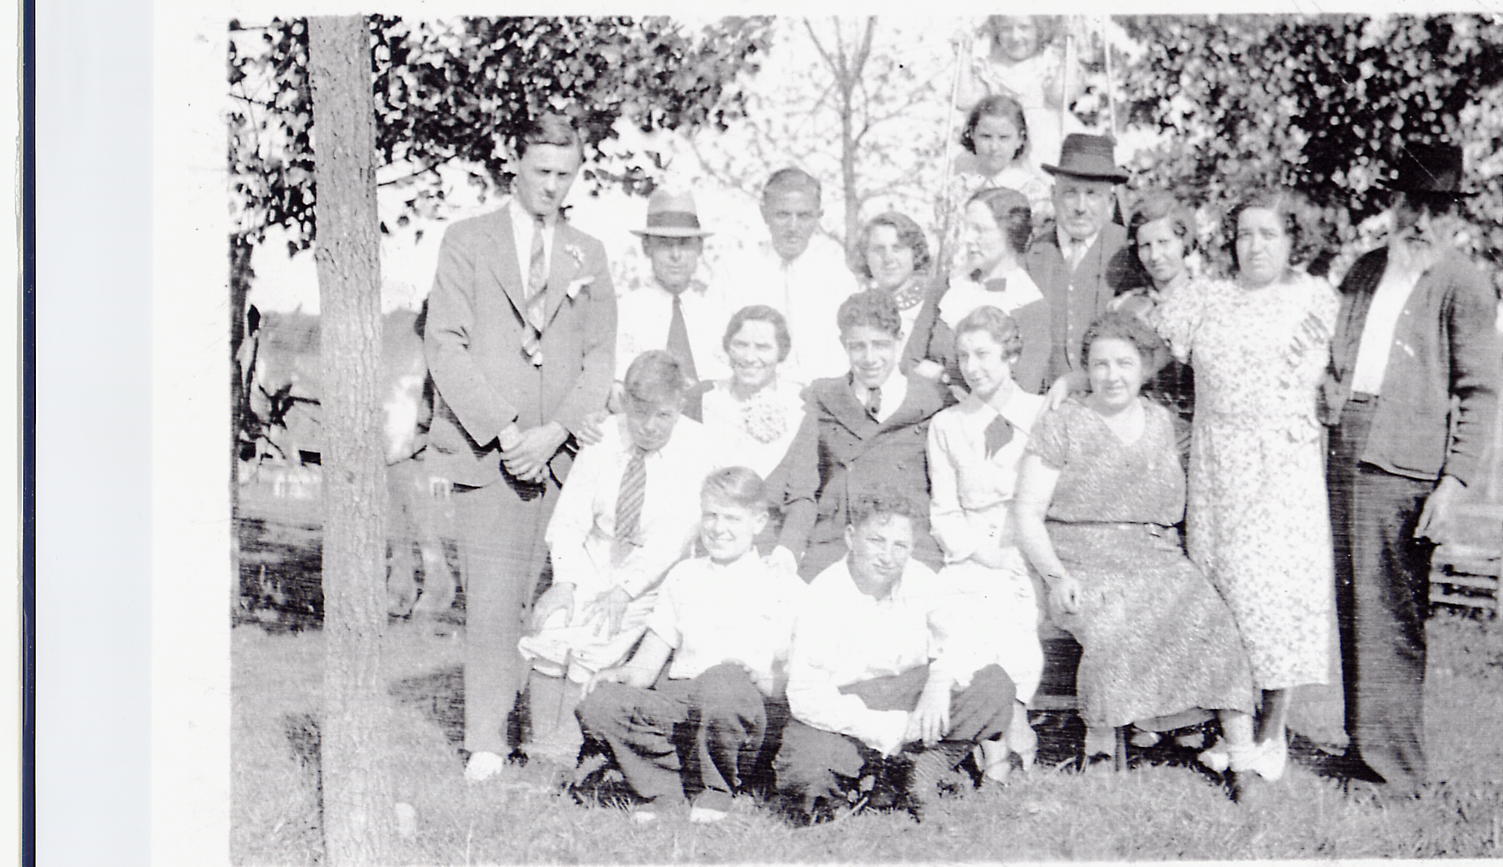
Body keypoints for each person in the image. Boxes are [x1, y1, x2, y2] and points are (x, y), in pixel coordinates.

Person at [423, 112, 616, 782]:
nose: (551, 187)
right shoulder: (467, 239)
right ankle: (485, 738)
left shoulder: (586, 252)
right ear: (516, 165)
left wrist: (555, 431)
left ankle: (556, 736)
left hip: (564, 454)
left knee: (564, 598)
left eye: (565, 175)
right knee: (494, 597)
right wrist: (507, 432)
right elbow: (443, 343)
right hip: (490, 455)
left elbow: (598, 358)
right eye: (541, 172)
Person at [1323, 142, 1501, 796]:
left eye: (1434, 207)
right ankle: (1360, 750)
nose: (1418, 220)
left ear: (1452, 215)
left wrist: (1452, 482)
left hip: (1405, 465)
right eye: (1409, 203)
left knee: (1389, 615)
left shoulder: (1462, 282)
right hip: (1343, 450)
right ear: (1391, 204)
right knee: (1349, 608)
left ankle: (1392, 774)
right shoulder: (1364, 270)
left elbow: (1480, 391)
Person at [1012, 312, 1260, 779]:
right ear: (1086, 368)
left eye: (1124, 364)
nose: (1112, 375)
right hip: (1081, 559)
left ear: (1144, 367)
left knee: (1212, 618)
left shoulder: (1165, 424)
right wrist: (1055, 576)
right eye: (1100, 364)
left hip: (1156, 557)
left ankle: (1243, 755)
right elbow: (1026, 514)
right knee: (1113, 624)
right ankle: (1102, 744)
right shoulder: (1063, 423)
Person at [1152, 189, 1345, 775]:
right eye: (1245, 234)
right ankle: (1229, 721)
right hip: (1218, 469)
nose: (1255, 245)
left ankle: (1272, 732)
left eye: (1270, 234)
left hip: (1282, 470)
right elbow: (1151, 358)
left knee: (1276, 599)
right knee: (1226, 597)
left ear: (1292, 241)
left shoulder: (1315, 300)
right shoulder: (1207, 299)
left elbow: (1341, 379)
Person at [519, 351, 721, 762]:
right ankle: (543, 743)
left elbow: (674, 537)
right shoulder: (605, 436)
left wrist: (625, 590)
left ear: (679, 408)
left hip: (652, 575)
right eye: (640, 413)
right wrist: (564, 583)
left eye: (662, 416)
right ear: (625, 402)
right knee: (556, 625)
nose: (649, 426)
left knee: (596, 634)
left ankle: (570, 744)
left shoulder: (697, 447)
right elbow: (572, 516)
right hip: (593, 559)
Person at [576, 467, 806, 824]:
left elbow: (797, 680)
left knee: (723, 680)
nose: (718, 528)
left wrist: (758, 678)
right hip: (684, 705)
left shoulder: (782, 585)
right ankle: (665, 790)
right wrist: (614, 674)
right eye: (711, 515)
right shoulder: (685, 576)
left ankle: (716, 791)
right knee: (601, 701)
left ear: (758, 522)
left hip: (741, 714)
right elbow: (647, 664)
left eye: (732, 518)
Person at [773, 489, 1018, 823]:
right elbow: (806, 697)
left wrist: (939, 681)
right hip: (844, 711)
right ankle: (882, 778)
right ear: (850, 537)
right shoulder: (824, 596)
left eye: (899, 545)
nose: (887, 556)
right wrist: (890, 728)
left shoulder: (920, 579)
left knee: (993, 684)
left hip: (908, 693)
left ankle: (925, 768)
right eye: (876, 540)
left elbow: (966, 635)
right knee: (807, 779)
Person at [924, 306, 1046, 782]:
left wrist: (1022, 555)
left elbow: (1059, 498)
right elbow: (945, 512)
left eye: (985, 354)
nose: (974, 366)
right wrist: (984, 554)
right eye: (965, 356)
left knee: (1008, 610)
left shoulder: (1042, 414)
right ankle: (1010, 734)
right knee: (964, 610)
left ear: (1011, 354)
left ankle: (1000, 738)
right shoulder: (947, 425)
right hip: (972, 552)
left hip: (1032, 549)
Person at [770, 290, 949, 581]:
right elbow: (801, 487)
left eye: (881, 345)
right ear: (843, 345)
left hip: (908, 548)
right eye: (858, 347)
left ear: (899, 341)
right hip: (836, 546)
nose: (870, 358)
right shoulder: (823, 397)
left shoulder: (929, 402)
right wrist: (788, 549)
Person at [726, 167, 861, 386]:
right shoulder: (736, 271)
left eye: (804, 216)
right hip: (749, 396)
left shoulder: (838, 279)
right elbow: (714, 347)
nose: (793, 227)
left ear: (819, 216)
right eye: (783, 215)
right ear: (764, 213)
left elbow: (853, 351)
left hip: (821, 402)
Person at [910, 187, 1051, 394]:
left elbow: (1022, 391)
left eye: (980, 229)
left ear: (1010, 233)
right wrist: (949, 380)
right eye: (967, 228)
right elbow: (909, 362)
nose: (968, 238)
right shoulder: (948, 286)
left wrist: (940, 376)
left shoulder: (1031, 305)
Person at [1024, 133, 1136, 389]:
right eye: (1071, 193)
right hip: (1043, 400)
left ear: (1110, 201)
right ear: (1053, 195)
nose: (1081, 207)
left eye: (1093, 194)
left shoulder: (1130, 252)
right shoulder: (1032, 252)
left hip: (1111, 398)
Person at [1107, 192, 1199, 462]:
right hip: (1139, 439)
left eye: (1164, 242)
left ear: (1184, 242)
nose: (1155, 255)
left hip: (1195, 440)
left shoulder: (1209, 301)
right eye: (1145, 245)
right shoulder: (1126, 306)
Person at [614, 188, 730, 389]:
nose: (676, 255)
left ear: (699, 247)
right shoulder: (625, 313)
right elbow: (618, 386)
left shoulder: (717, 314)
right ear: (646, 247)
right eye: (665, 244)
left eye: (685, 244)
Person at [955, 15, 1087, 176]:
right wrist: (963, 56)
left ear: (1039, 30)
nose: (1015, 37)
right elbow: (965, 101)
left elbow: (1061, 96)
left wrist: (1070, 49)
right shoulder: (989, 67)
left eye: (1024, 28)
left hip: (1044, 141)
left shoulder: (1049, 62)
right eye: (1006, 29)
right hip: (999, 145)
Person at [937, 95, 1052, 274]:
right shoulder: (955, 188)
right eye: (986, 136)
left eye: (1004, 138)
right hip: (958, 285)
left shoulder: (1035, 193)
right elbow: (947, 248)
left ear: (1020, 139)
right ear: (971, 134)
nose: (994, 147)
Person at [689, 306, 806, 479]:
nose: (749, 357)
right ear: (727, 347)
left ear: (781, 351)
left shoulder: (801, 403)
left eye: (763, 347)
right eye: (740, 345)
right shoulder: (703, 398)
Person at [853, 211, 938, 368]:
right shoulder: (857, 310)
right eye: (879, 249)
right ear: (866, 256)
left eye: (897, 248)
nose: (888, 258)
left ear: (915, 253)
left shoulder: (934, 307)